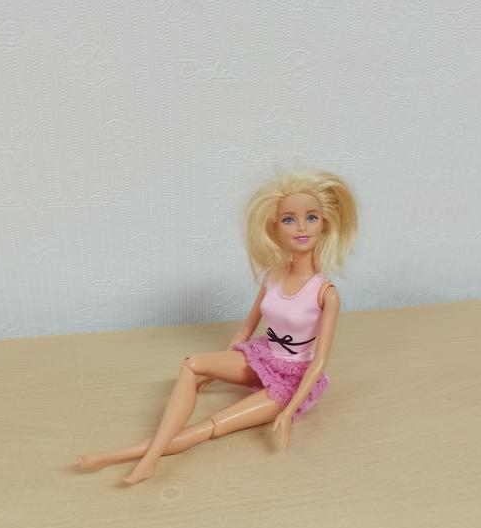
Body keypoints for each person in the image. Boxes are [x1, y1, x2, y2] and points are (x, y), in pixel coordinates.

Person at [76, 167, 358, 484]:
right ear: (274, 227)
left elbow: (319, 363)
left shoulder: (325, 293)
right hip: (264, 357)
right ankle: (135, 457)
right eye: (289, 219)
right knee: (192, 363)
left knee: (210, 426)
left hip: (292, 380)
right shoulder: (273, 277)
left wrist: (289, 410)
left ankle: (127, 458)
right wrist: (214, 371)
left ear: (325, 223)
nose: (301, 227)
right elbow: (246, 330)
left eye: (311, 217)